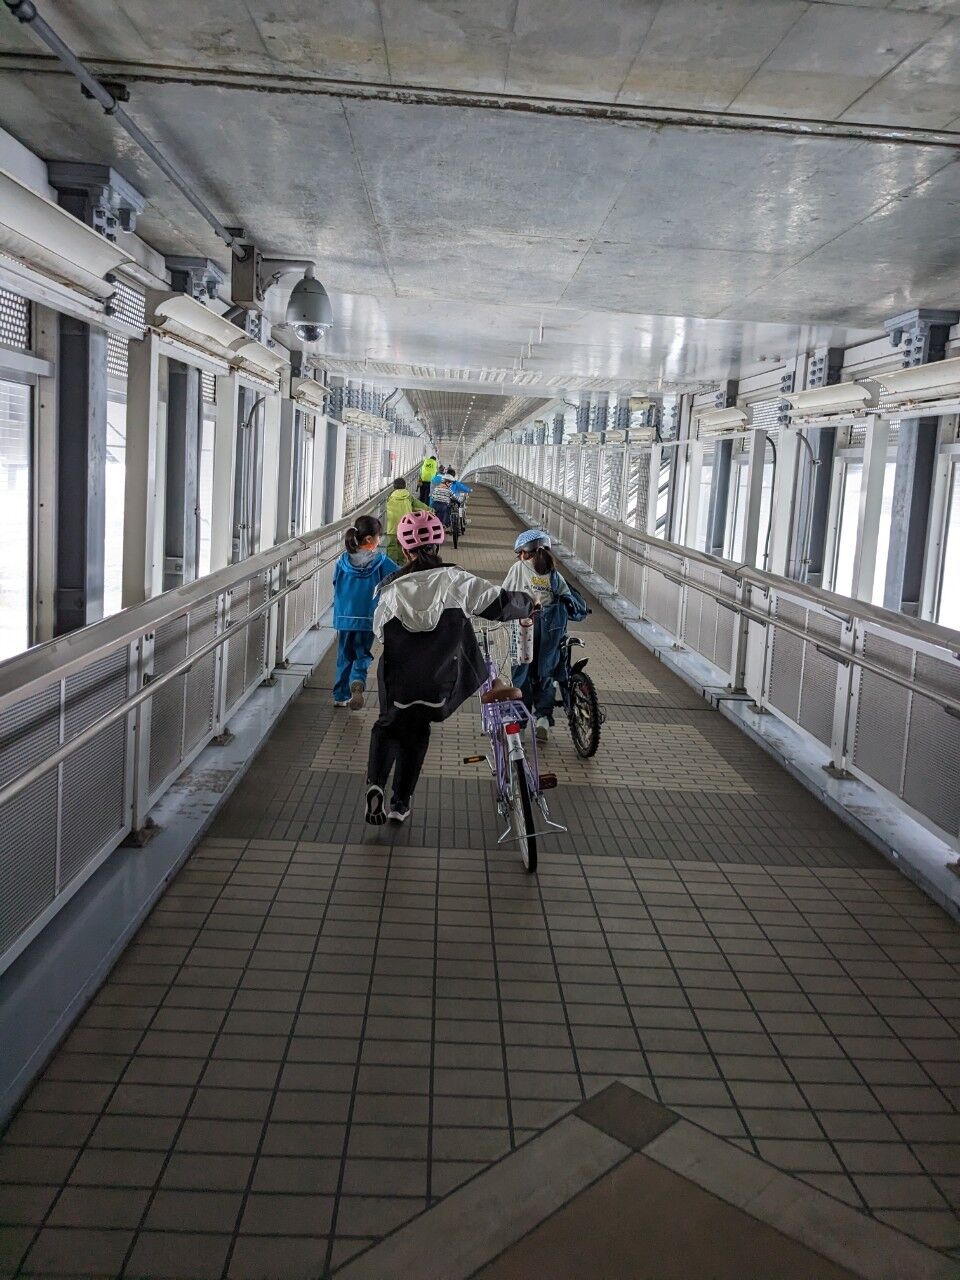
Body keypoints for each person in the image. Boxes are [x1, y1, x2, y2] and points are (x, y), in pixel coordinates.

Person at [365, 510, 535, 825]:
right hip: (440, 685)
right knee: (419, 731)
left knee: (389, 725)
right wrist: (528, 603)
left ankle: (376, 782)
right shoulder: (455, 579)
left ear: (404, 549)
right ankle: (400, 804)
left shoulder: (391, 590)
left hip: (399, 683)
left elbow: (380, 633)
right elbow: (498, 604)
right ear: (438, 544)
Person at [503, 529, 588, 742]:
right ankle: (543, 720)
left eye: (520, 553)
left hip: (524, 626)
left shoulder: (518, 568)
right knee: (546, 673)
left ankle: (520, 724)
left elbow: (504, 594)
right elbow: (567, 598)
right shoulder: (554, 574)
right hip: (551, 630)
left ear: (525, 552)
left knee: (521, 674)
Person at [332, 516, 397, 710]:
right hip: (368, 617)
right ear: (369, 539)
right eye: (378, 536)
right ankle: (357, 680)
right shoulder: (380, 561)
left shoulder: (342, 561)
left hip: (345, 617)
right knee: (362, 652)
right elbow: (399, 576)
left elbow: (335, 582)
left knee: (344, 655)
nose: (380, 539)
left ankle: (340, 696)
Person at [384, 477, 429, 562]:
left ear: (394, 486)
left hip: (392, 527)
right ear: (405, 486)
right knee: (403, 546)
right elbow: (420, 505)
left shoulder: (390, 496)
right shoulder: (408, 496)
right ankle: (402, 564)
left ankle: (390, 564)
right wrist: (430, 510)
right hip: (406, 526)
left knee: (391, 547)